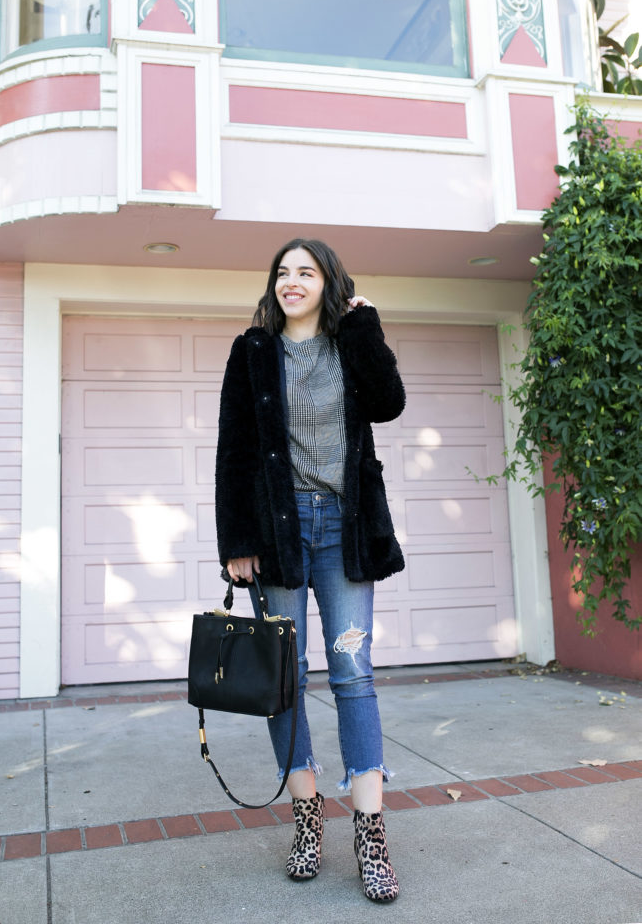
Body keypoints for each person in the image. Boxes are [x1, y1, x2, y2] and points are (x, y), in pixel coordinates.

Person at [215, 238, 406, 902]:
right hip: (279, 536)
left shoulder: (349, 343)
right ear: (271, 286)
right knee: (285, 678)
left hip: (344, 528)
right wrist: (236, 540)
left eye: (306, 271)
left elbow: (388, 403)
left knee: (352, 672)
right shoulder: (252, 352)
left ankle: (370, 831)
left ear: (328, 283)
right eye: (282, 272)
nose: (291, 281)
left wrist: (366, 326)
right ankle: (305, 823)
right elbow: (234, 450)